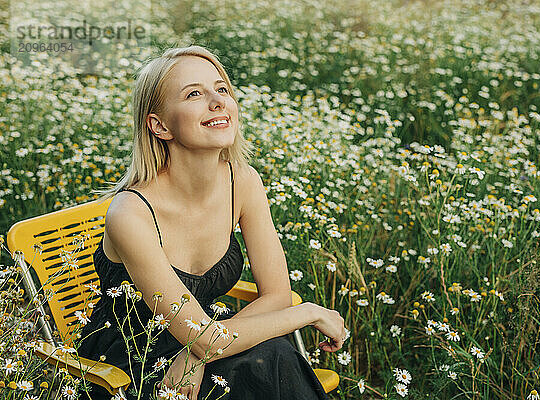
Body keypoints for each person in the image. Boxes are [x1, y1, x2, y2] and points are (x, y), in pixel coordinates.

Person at [77, 45, 346, 400]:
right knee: (268, 360)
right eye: (194, 94)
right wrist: (308, 312)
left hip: (205, 339)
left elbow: (278, 293)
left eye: (221, 89)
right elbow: (205, 336)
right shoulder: (131, 213)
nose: (218, 102)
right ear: (159, 125)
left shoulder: (243, 181)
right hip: (129, 360)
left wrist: (198, 350)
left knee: (269, 359)